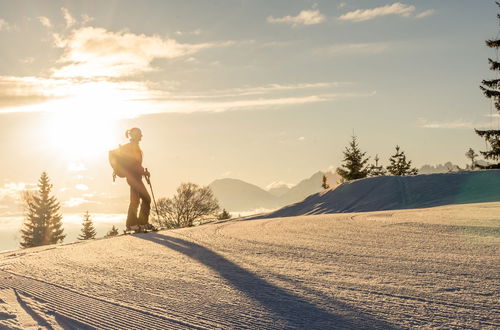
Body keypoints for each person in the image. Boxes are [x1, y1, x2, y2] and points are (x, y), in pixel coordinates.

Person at [121, 128, 152, 231]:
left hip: (135, 177)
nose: (141, 136)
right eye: (140, 134)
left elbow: (135, 164)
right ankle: (132, 224)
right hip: (133, 177)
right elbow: (133, 164)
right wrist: (143, 172)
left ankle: (140, 223)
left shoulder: (134, 146)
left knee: (138, 200)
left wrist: (142, 171)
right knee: (141, 199)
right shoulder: (132, 147)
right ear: (135, 135)